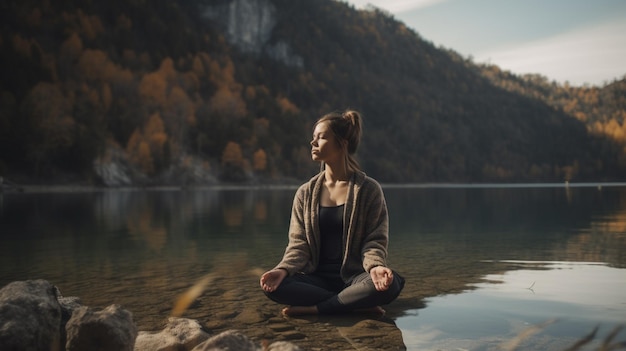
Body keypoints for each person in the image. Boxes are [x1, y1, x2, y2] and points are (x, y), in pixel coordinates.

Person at [259, 109, 404, 316]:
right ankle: (355, 303)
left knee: (390, 284)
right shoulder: (305, 193)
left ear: (342, 144)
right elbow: (298, 244)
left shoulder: (369, 190)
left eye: (321, 137)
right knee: (276, 286)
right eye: (313, 137)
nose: (313, 143)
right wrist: (281, 269)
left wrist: (375, 268)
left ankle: (318, 309)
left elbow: (375, 240)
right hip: (316, 280)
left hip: (355, 277)